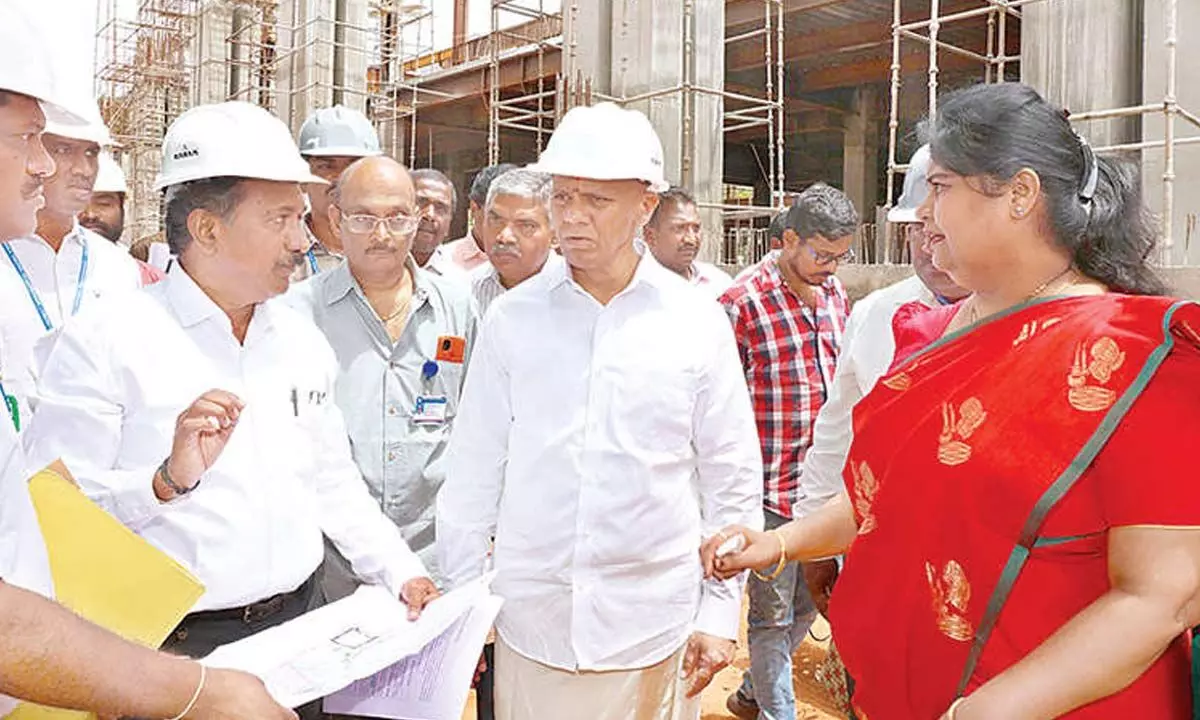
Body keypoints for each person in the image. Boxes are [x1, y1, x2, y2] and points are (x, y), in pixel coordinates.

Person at [704, 82, 1200, 720]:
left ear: (1019, 195)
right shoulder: (931, 334)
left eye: (939, 188)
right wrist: (780, 543)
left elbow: (1160, 597)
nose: (923, 215)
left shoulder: (1138, 359)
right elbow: (881, 497)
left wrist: (987, 709)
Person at [24, 102, 439, 679]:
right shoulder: (104, 342)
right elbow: (53, 513)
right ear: (207, 229)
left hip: (300, 635)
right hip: (172, 656)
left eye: (301, 217)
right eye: (279, 220)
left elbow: (331, 482)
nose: (302, 240)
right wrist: (164, 482)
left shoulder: (299, 338)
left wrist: (400, 571)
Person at [0, 3, 293, 716]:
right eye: (33, 139)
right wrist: (197, 692)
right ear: (206, 226)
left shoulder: (124, 278)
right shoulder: (111, 331)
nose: (48, 165)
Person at [438, 102, 763, 720]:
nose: (573, 217)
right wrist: (463, 604)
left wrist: (720, 612)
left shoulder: (695, 320)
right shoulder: (514, 319)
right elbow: (474, 471)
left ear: (646, 206)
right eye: (563, 198)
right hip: (533, 628)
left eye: (597, 201)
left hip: (654, 630)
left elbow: (730, 474)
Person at [286, 155, 476, 603]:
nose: (383, 234)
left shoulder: (458, 307)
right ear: (335, 219)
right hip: (328, 568)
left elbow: (480, 429)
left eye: (397, 218)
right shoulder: (296, 315)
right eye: (364, 218)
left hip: (435, 559)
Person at [793, 145, 968, 614]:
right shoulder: (876, 314)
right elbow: (838, 430)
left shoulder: (1031, 318)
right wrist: (817, 541)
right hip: (884, 561)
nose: (929, 244)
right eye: (917, 230)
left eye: (940, 228)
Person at [718, 182, 858, 720]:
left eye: (839, 257)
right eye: (821, 255)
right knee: (771, 619)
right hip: (770, 490)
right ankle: (778, 712)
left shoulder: (837, 296)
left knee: (808, 605)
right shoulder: (740, 302)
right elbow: (716, 409)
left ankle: (753, 691)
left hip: (823, 492)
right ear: (789, 239)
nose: (829, 267)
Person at [0, 105, 142, 424]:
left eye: (91, 153)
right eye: (64, 150)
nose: (83, 169)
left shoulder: (118, 268)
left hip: (90, 463)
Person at [293, 105, 382, 280]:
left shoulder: (390, 248)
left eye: (353, 166)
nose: (341, 177)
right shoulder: (276, 253)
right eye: (326, 166)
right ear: (303, 180)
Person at [470, 168, 560, 315]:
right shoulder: (464, 293)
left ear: (555, 235)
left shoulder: (581, 297)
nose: (505, 237)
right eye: (496, 220)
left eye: (526, 225)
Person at [80, 152, 166, 285]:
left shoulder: (150, 280)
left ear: (122, 207)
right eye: (78, 203)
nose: (90, 214)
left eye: (103, 204)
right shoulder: (40, 278)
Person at [642, 186, 732, 297]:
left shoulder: (719, 283)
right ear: (650, 235)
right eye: (679, 228)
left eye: (696, 228)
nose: (691, 239)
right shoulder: (636, 290)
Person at [446, 163, 518, 272]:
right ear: (474, 208)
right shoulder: (446, 262)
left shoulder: (532, 261)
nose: (507, 231)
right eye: (498, 218)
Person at [410, 168, 462, 278]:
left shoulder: (458, 283)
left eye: (440, 208)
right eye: (421, 202)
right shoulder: (371, 267)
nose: (430, 215)